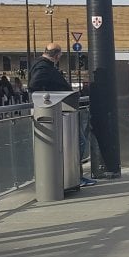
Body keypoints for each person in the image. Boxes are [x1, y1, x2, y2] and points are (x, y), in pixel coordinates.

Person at [28, 43, 96, 187]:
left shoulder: (41, 65)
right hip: (59, 109)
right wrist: (49, 97)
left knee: (73, 142)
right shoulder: (43, 67)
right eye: (60, 55)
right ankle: (73, 176)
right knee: (78, 142)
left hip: (59, 109)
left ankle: (70, 176)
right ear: (57, 55)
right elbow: (34, 85)